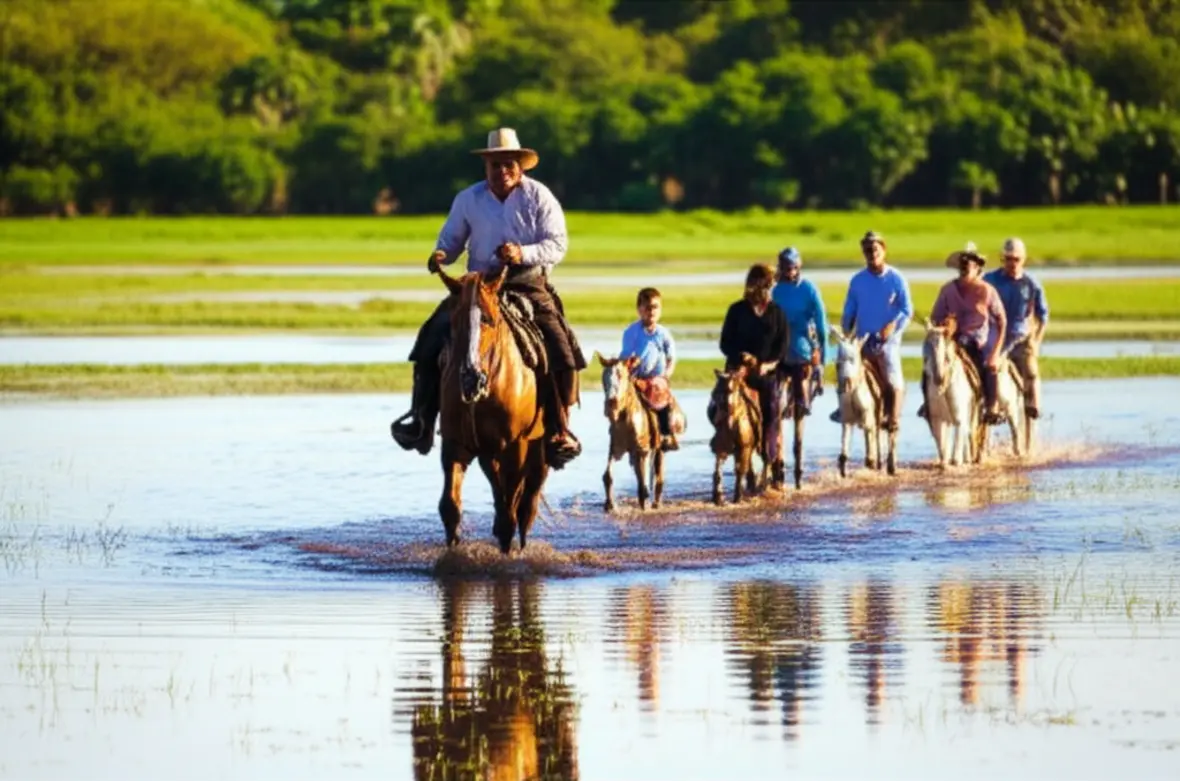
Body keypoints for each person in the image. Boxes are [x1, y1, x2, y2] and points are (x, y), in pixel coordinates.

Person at [390, 128, 587, 465]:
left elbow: (558, 244)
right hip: (478, 283)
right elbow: (451, 239)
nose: (502, 171)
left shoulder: (539, 197)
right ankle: (422, 420)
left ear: (520, 166)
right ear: (486, 166)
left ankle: (560, 428)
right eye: (495, 164)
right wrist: (441, 254)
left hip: (526, 281)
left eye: (508, 164)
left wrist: (521, 253)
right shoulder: (468, 199)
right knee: (430, 337)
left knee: (562, 347)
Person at [832, 231, 913, 432]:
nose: (872, 253)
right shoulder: (857, 280)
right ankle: (843, 409)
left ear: (883, 250)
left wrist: (893, 326)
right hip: (862, 340)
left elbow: (907, 310)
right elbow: (849, 309)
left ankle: (893, 418)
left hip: (888, 341)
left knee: (893, 376)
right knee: (844, 367)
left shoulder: (896, 278)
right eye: (867, 250)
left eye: (875, 249)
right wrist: (846, 327)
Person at [717, 263, 789, 473]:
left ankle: (770, 454)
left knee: (772, 409)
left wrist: (766, 365)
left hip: (765, 372)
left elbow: (782, 347)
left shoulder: (777, 313)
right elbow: (725, 343)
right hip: (738, 371)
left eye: (769, 285)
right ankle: (720, 445)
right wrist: (740, 359)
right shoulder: (736, 310)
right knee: (718, 404)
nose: (767, 289)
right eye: (765, 285)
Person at [925, 243, 1008, 425]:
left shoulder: (987, 291)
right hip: (953, 340)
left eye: (968, 264)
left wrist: (996, 352)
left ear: (977, 267)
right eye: (962, 264)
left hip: (979, 340)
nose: (964, 267)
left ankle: (991, 407)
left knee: (989, 365)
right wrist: (944, 326)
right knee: (931, 361)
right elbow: (935, 318)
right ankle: (929, 403)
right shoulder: (947, 290)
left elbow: (1002, 320)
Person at [983, 237, 1049, 419]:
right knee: (987, 368)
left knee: (1031, 371)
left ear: (1024, 259)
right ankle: (991, 406)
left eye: (1016, 259)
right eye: (1008, 259)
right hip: (996, 338)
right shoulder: (990, 280)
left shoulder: (1032, 284)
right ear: (1002, 259)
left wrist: (1036, 340)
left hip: (1021, 338)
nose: (1012, 263)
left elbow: (1043, 315)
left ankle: (1034, 406)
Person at [619, 287, 679, 451]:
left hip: (657, 379)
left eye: (655, 307)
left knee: (661, 398)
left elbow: (671, 358)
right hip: (636, 378)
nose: (651, 311)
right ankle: (620, 438)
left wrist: (665, 376)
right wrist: (630, 365)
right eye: (647, 307)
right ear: (639, 310)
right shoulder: (631, 332)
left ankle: (666, 435)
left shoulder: (663, 334)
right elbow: (624, 356)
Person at [771, 246, 828, 417]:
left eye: (793, 266)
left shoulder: (809, 289)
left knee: (799, 363)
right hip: (780, 343)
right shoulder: (775, 290)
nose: (790, 270)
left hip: (801, 342)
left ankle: (803, 400)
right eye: (787, 267)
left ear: (799, 266)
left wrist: (822, 356)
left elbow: (821, 323)